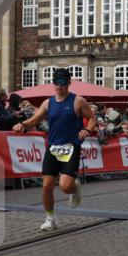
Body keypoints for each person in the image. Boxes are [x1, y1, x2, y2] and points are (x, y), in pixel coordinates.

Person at [12, 68, 97, 232]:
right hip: (53, 147)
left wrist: (87, 129)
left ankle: (74, 188)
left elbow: (92, 119)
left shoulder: (78, 101)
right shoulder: (47, 103)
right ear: (53, 84)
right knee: (47, 185)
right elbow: (35, 119)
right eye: (56, 83)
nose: (59, 86)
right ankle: (50, 219)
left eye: (63, 83)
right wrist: (22, 125)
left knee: (65, 187)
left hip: (71, 147)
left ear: (69, 83)